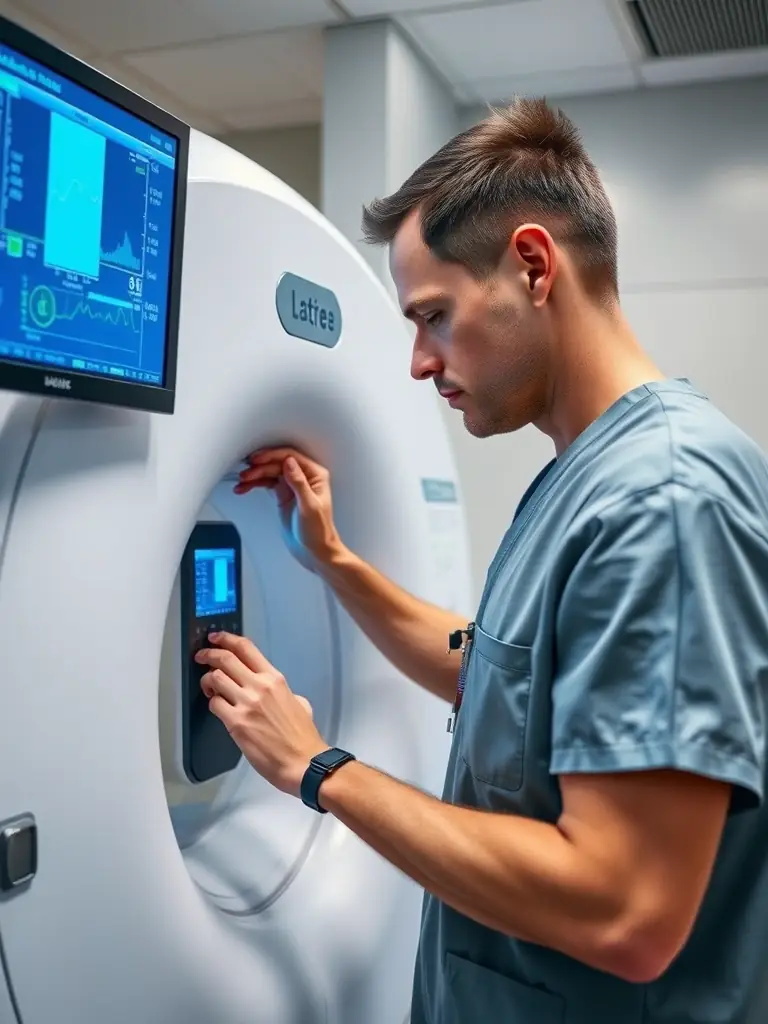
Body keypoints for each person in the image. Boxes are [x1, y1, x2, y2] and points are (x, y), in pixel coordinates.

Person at [195, 97, 768, 1022]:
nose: (420, 362)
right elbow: (497, 672)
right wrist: (333, 560)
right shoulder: (590, 471)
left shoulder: (663, 500)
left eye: (434, 316)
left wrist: (318, 766)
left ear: (534, 267)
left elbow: (629, 909)